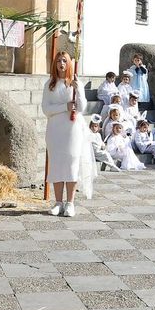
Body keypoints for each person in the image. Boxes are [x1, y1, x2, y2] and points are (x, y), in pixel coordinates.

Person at [42, 49, 92, 218]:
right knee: (56, 164)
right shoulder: (50, 84)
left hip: (73, 130)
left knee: (71, 163)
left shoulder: (75, 83)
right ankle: (58, 202)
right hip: (55, 129)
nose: (61, 64)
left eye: (64, 61)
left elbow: (82, 108)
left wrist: (79, 92)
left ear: (69, 63)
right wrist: (64, 107)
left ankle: (70, 203)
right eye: (58, 61)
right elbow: (46, 109)